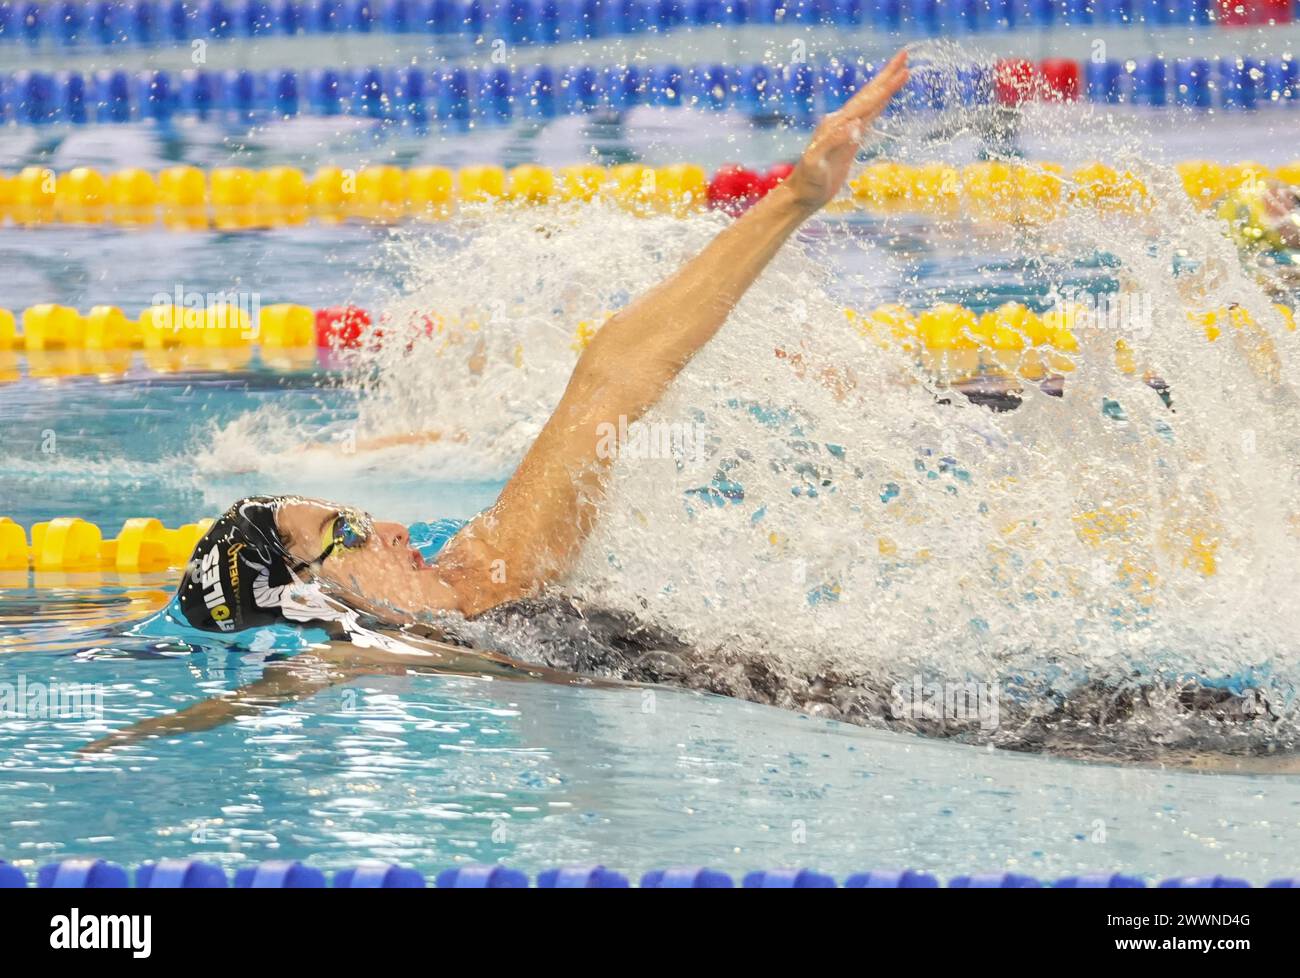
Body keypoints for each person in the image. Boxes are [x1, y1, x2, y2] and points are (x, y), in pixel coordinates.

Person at [79, 53, 913, 752]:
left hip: (858, 703)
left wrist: (796, 197)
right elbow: (260, 695)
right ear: (301, 596)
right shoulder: (359, 652)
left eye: (359, 514)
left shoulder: (490, 564)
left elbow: (614, 373)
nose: (395, 526)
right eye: (348, 534)